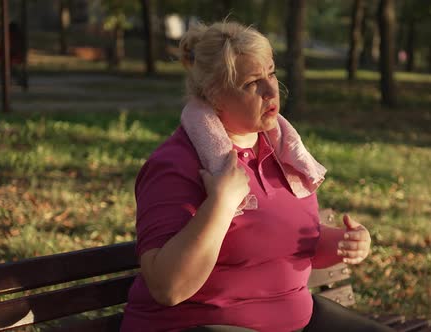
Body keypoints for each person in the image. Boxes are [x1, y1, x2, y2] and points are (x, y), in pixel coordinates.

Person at [121, 21, 393, 332]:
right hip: (198, 324)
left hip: (295, 320)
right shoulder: (175, 165)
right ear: (214, 96)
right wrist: (221, 203)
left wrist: (345, 243)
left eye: (272, 73)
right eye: (252, 82)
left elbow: (283, 244)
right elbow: (167, 287)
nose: (270, 89)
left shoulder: (283, 154)